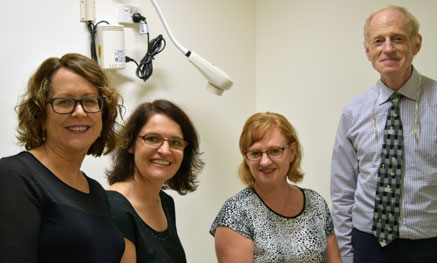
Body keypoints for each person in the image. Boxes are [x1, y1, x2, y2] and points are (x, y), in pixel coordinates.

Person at [330, 5, 437, 263]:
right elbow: (343, 191)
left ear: (416, 44)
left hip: (428, 244)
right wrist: (346, 253)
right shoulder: (353, 112)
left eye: (398, 38)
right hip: (368, 244)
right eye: (379, 40)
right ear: (368, 51)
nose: (388, 48)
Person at [0, 53, 125, 262]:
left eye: (90, 101)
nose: (79, 112)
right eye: (65, 102)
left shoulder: (96, 192)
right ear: (40, 115)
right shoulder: (14, 176)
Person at [210, 112, 341, 263]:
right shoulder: (236, 212)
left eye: (274, 151)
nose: (264, 162)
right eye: (256, 153)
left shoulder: (316, 203)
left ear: (292, 152)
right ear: (246, 157)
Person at [106, 99, 204, 263]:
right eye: (152, 139)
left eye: (175, 142)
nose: (165, 150)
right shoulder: (113, 208)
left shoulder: (165, 202)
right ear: (130, 144)